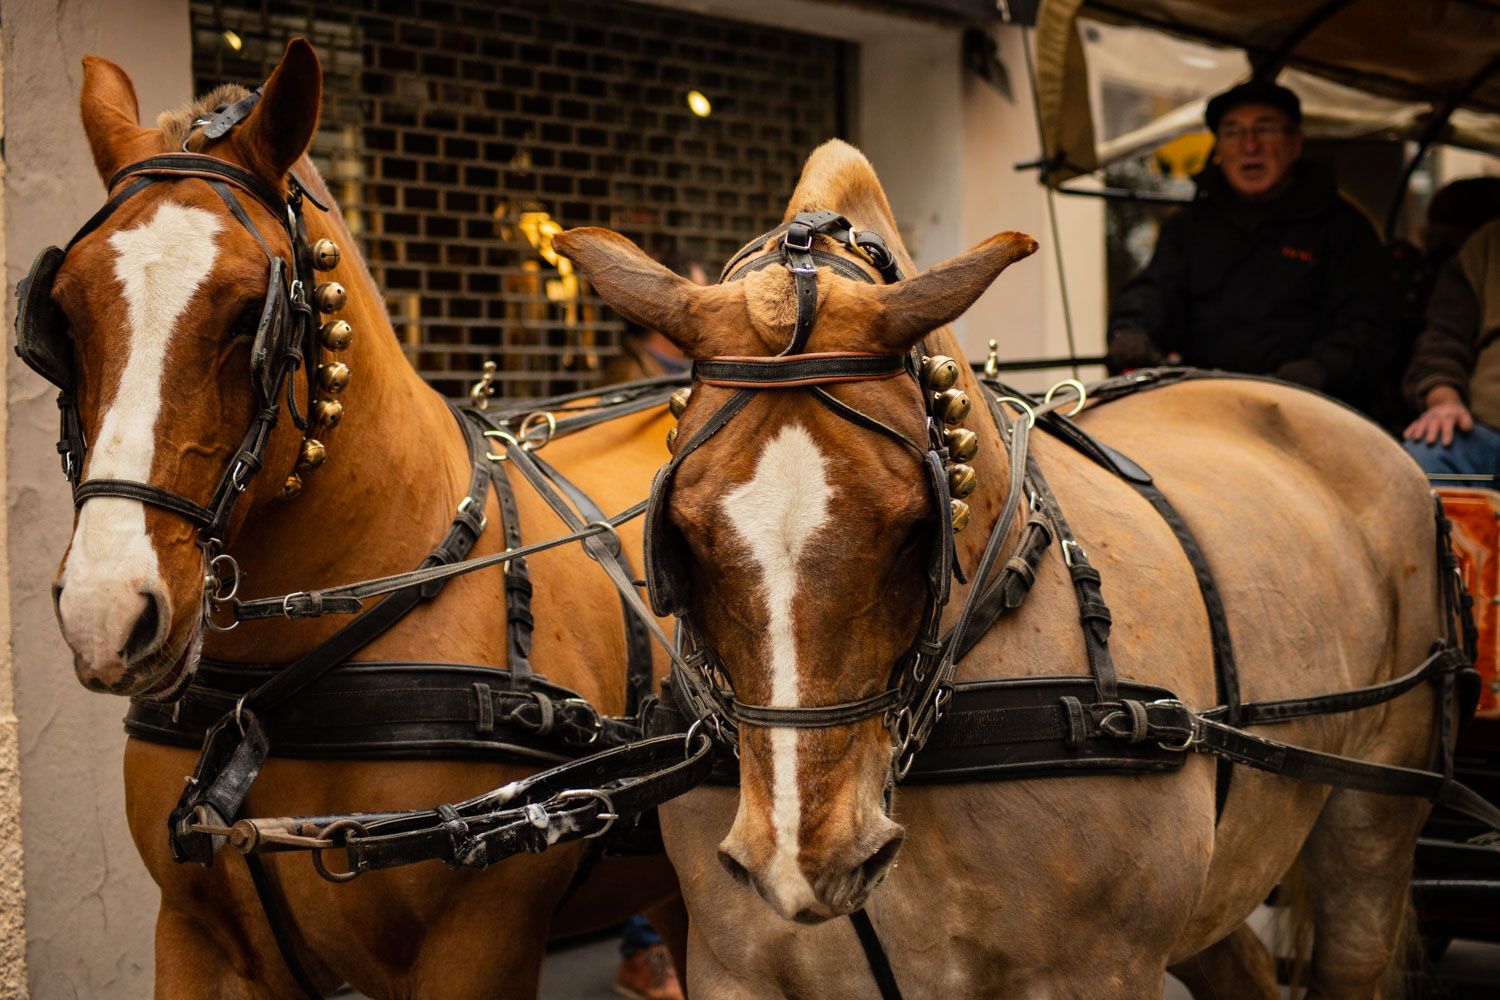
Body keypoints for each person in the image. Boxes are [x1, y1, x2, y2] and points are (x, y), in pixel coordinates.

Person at [1106, 80, 1396, 414]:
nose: (1249, 145)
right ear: (1219, 147)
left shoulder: (1343, 228)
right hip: (1205, 403)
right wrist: (1132, 329)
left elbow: (1368, 324)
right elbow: (1156, 289)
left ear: (1295, 144)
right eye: (1232, 132)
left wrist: (1322, 369)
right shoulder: (1188, 226)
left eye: (1265, 129)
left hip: (1312, 410)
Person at [1402, 216, 1500, 476]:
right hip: (1490, 433)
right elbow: (1442, 343)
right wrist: (1445, 402)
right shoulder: (1487, 244)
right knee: (1424, 457)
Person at [601, 251, 705, 383]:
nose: (705, 309)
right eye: (697, 298)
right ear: (666, 304)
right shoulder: (630, 379)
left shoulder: (694, 370)